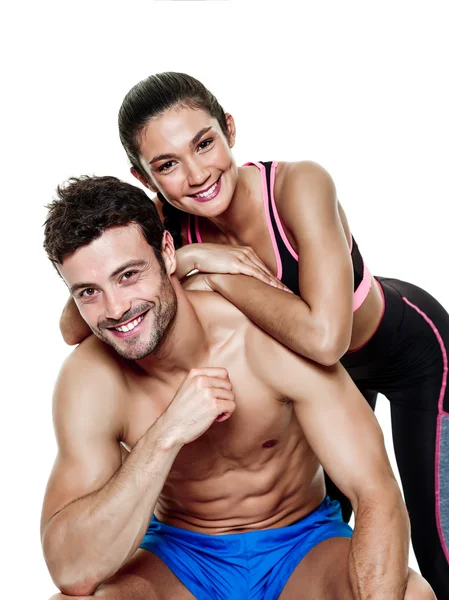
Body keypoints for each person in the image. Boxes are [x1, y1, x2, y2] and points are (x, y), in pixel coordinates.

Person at [58, 73, 449, 598]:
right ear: (145, 177)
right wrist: (188, 257)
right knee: (332, 532)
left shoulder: (297, 185)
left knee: (433, 548)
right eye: (167, 165)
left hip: (400, 352)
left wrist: (213, 274)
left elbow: (326, 340)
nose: (195, 175)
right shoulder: (166, 225)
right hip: (310, 378)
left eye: (203, 143)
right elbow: (73, 321)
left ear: (230, 130)